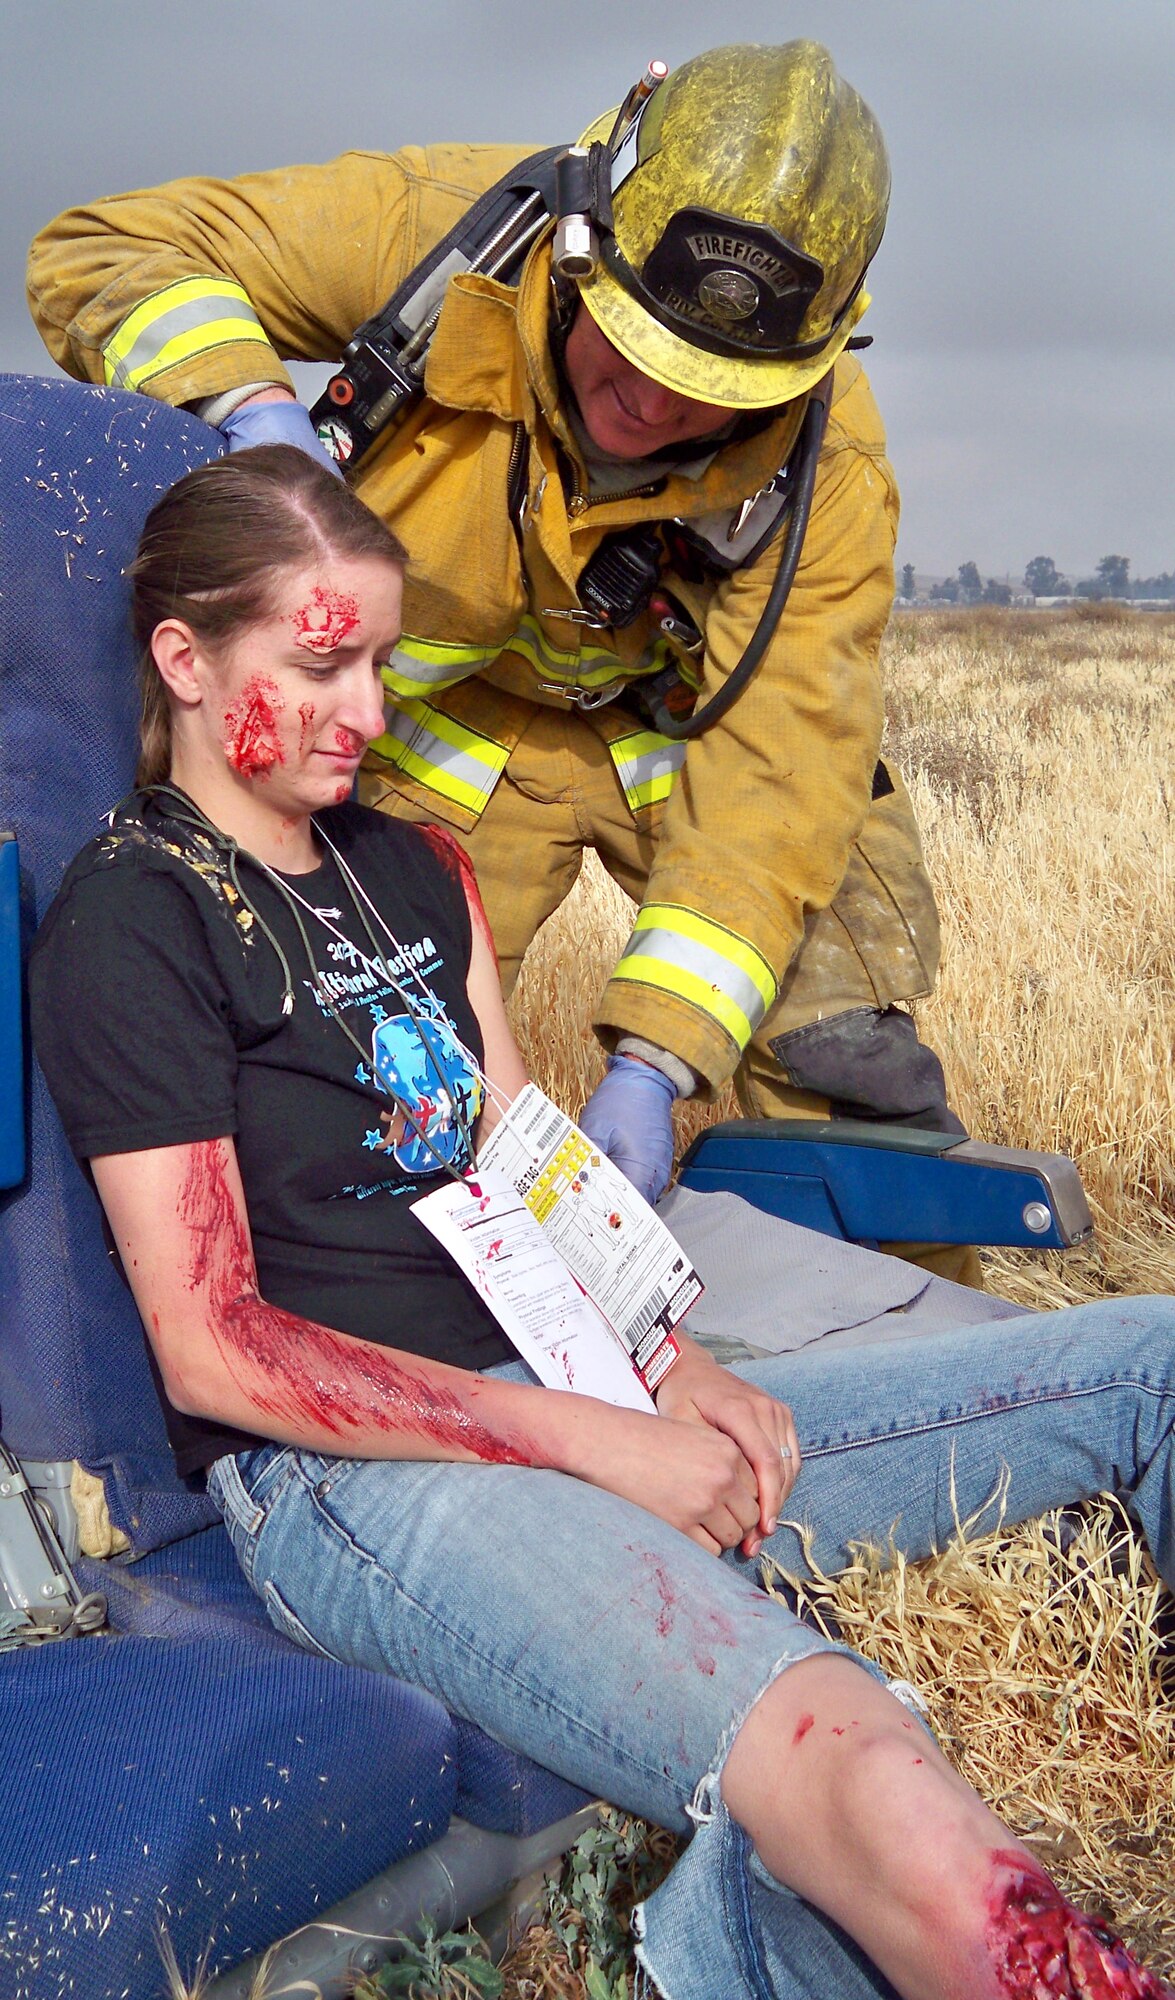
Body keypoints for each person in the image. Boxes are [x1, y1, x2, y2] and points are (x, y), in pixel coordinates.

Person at [29, 447, 1175, 2000]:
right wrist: (593, 1440)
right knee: (844, 1746)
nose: (366, 711)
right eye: (318, 662)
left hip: (582, 1387)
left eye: (375, 658)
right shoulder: (134, 918)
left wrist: (671, 1363)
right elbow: (213, 1347)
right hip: (360, 1478)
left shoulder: (408, 868)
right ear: (185, 657)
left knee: (1146, 1361)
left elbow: (524, 1157)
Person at [27, 39, 981, 1285]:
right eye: (629, 343)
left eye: (706, 390)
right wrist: (249, 414)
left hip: (675, 736)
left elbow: (777, 767)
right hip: (440, 726)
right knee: (371, 1058)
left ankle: (903, 1369)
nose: (645, 405)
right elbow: (97, 249)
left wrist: (654, 1062)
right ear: (583, 242)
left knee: (843, 1053)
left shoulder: (827, 475)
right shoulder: (452, 239)